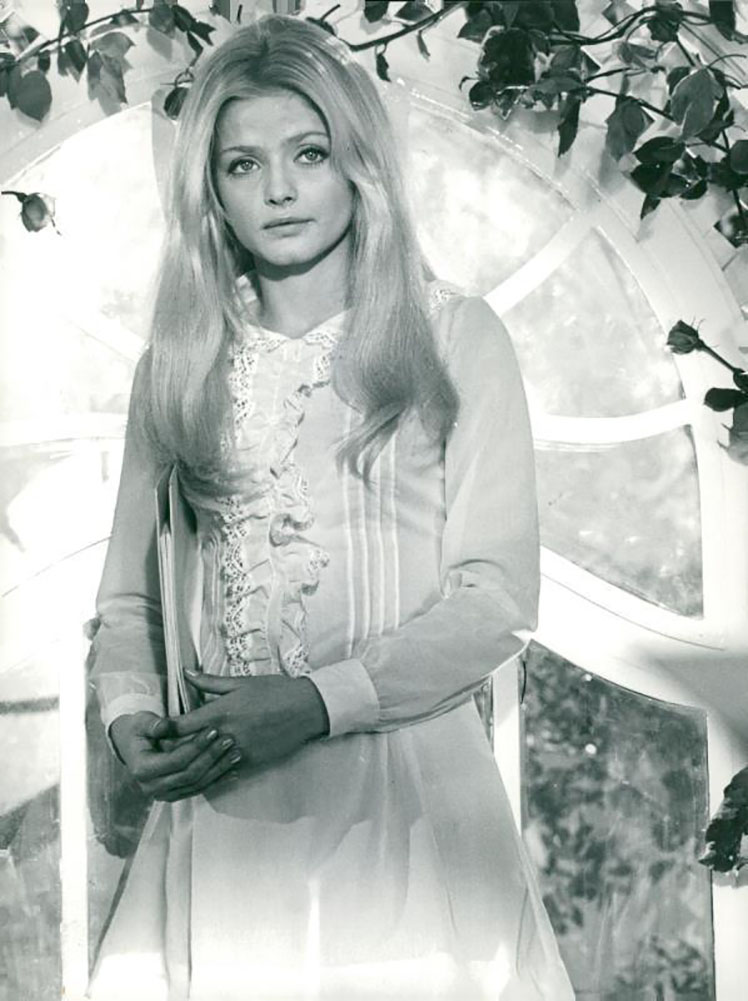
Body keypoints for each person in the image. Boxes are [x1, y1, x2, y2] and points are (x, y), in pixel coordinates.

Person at [87, 13, 575, 1001]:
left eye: (307, 154)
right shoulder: (175, 368)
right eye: (242, 164)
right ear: (211, 193)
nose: (278, 189)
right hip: (221, 809)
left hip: (409, 798)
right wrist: (131, 719)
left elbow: (492, 601)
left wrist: (315, 700)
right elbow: (129, 604)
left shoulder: (453, 338)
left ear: (358, 164)